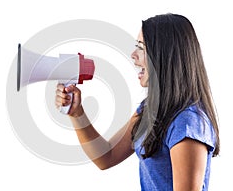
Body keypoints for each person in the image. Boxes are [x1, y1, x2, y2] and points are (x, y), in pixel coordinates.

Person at [55, 13, 220, 191]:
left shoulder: (187, 122)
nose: (133, 55)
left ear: (163, 55)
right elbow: (106, 156)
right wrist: (77, 112)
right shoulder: (149, 110)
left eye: (141, 48)